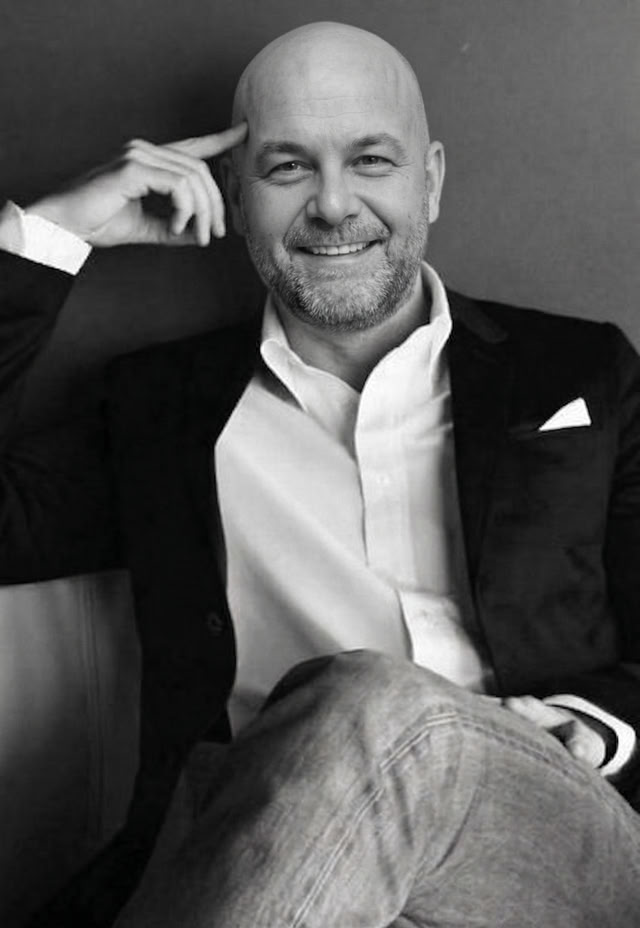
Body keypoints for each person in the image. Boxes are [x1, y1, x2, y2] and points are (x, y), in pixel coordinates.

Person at [1, 20, 639, 928]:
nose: (334, 205)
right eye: (289, 167)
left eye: (371, 160)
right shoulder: (157, 410)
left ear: (432, 180)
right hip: (257, 851)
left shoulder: (581, 373)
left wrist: (592, 724)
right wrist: (50, 235)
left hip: (542, 841)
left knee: (377, 701)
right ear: (234, 192)